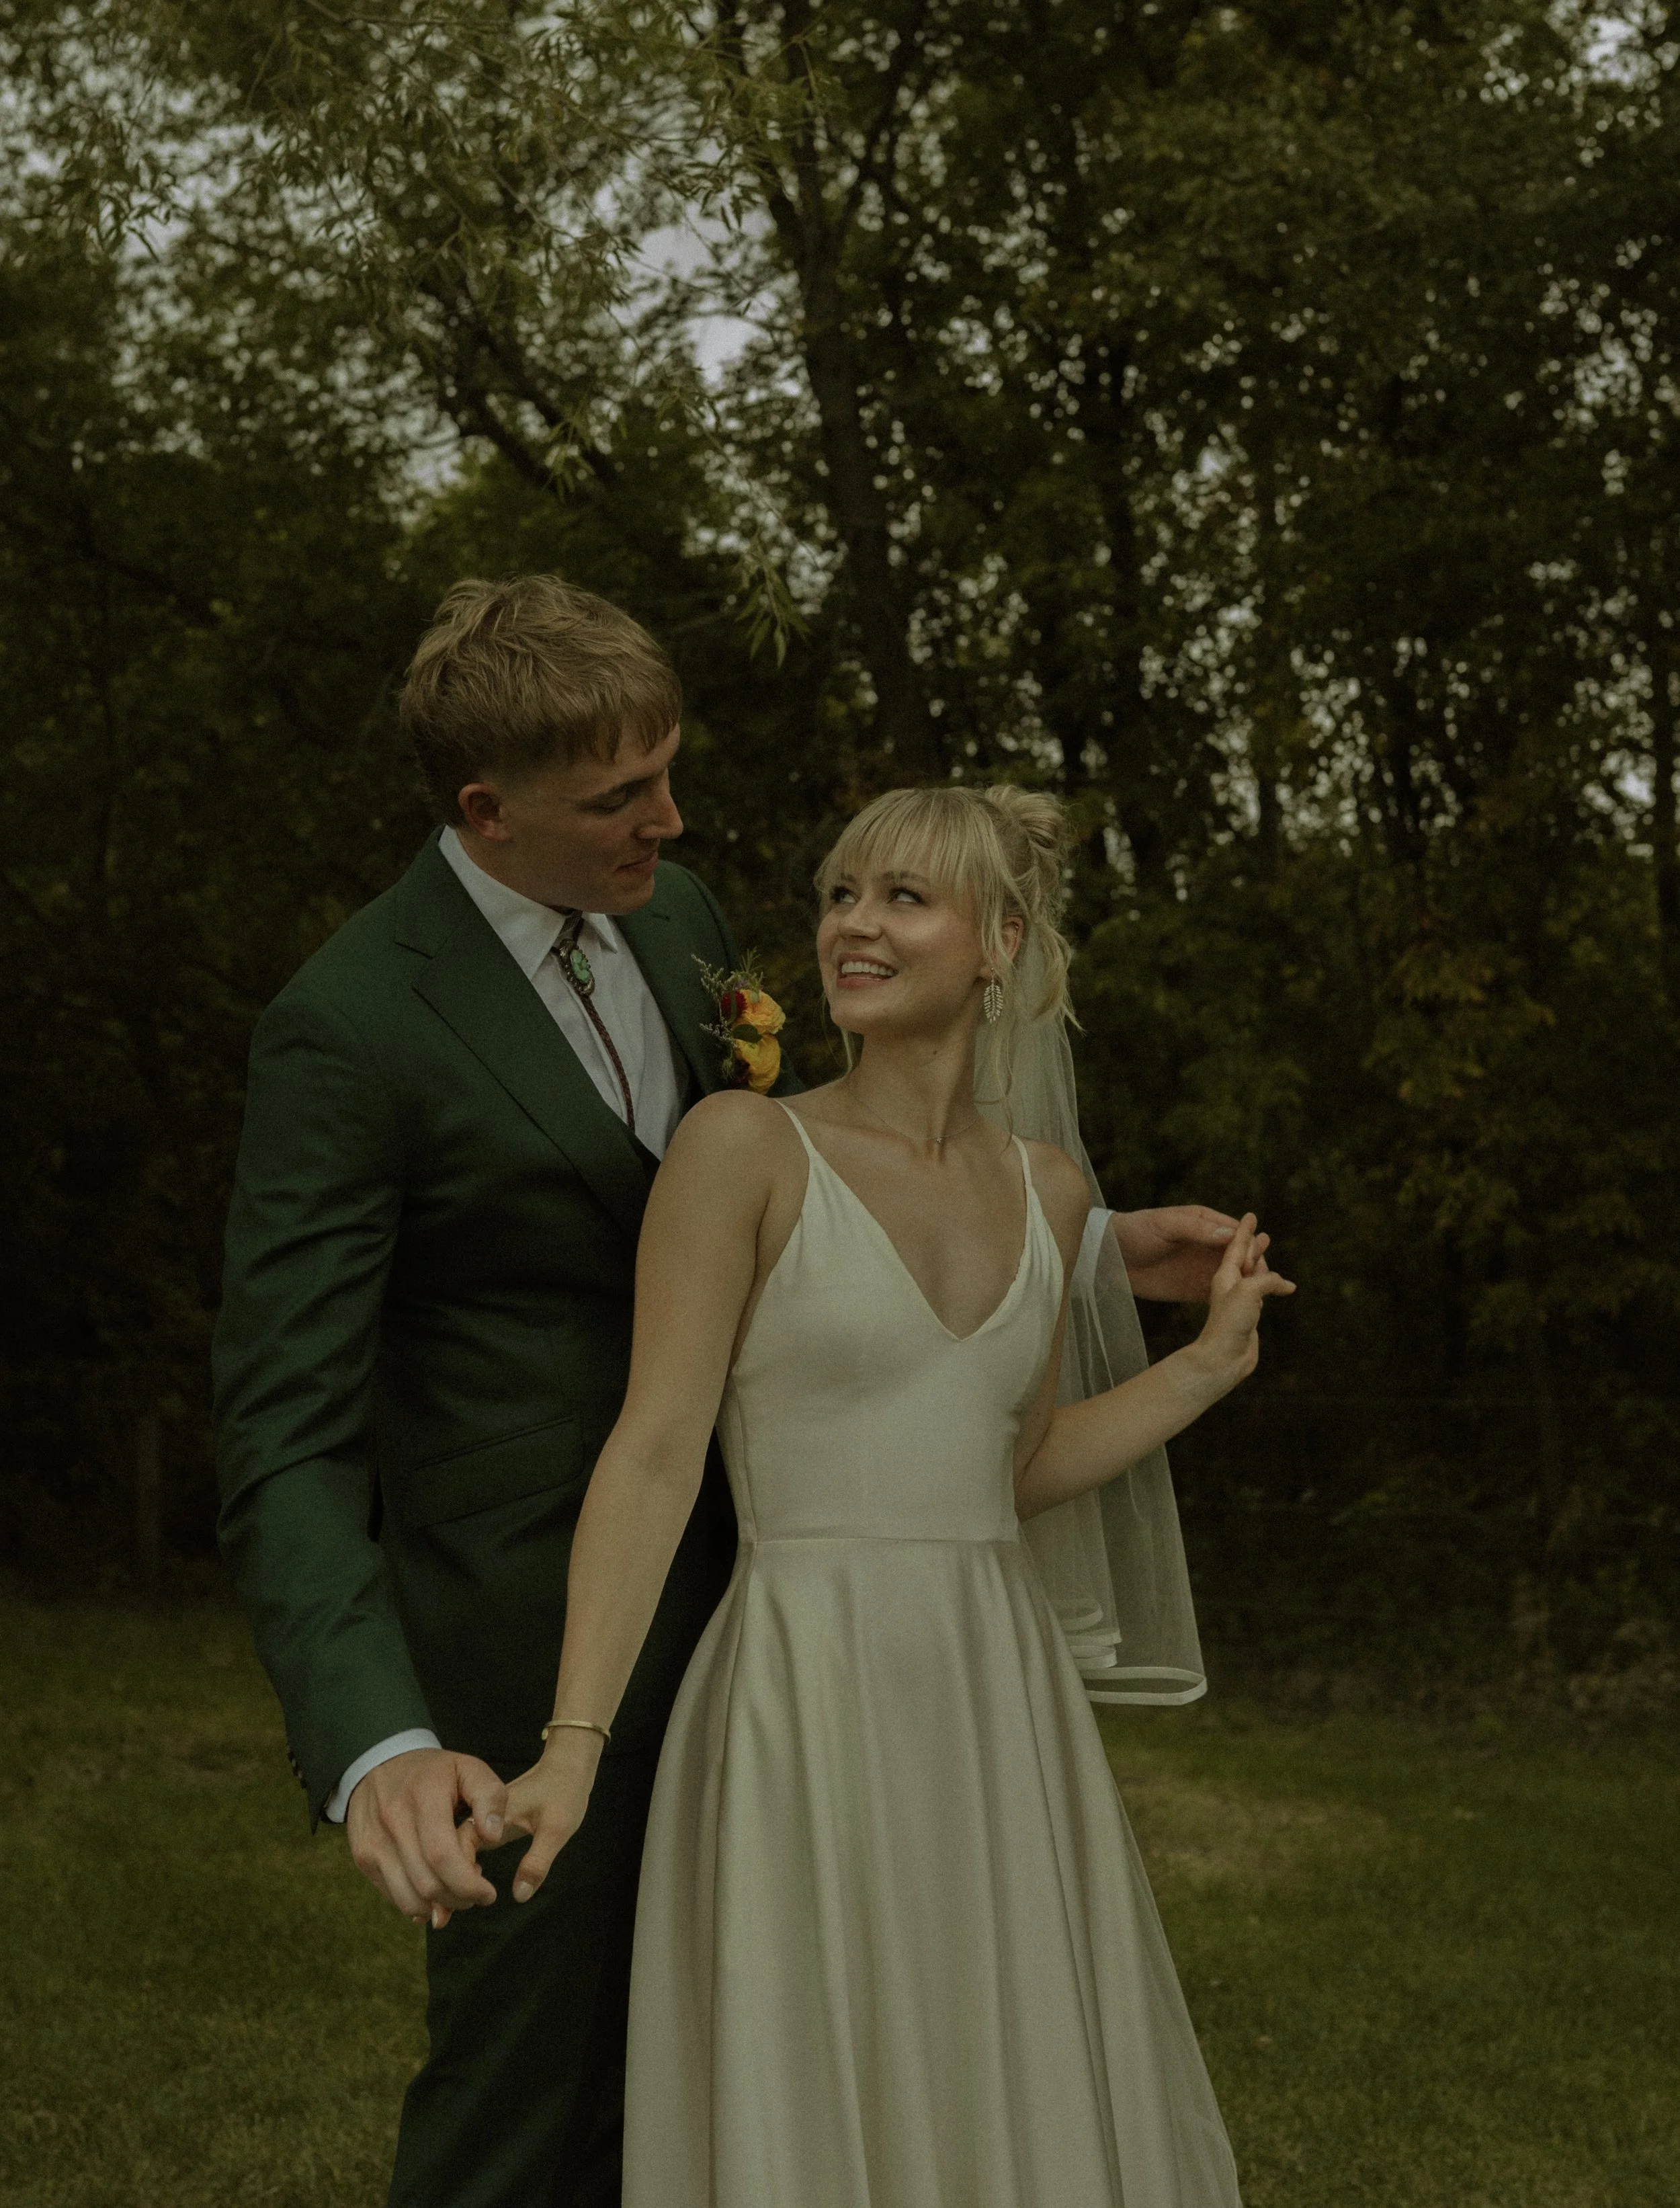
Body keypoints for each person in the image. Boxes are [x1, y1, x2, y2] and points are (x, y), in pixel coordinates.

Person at [501, 783, 1294, 2207]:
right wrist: (571, 1739)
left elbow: (1007, 1470)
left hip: (996, 1698)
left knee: (1000, 2061)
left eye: (900, 899)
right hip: (800, 1682)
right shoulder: (739, 1149)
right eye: (840, 894)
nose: (851, 927)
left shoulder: (1050, 1192)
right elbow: (655, 1449)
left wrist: (1202, 1371)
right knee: (818, 2073)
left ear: (998, 942)